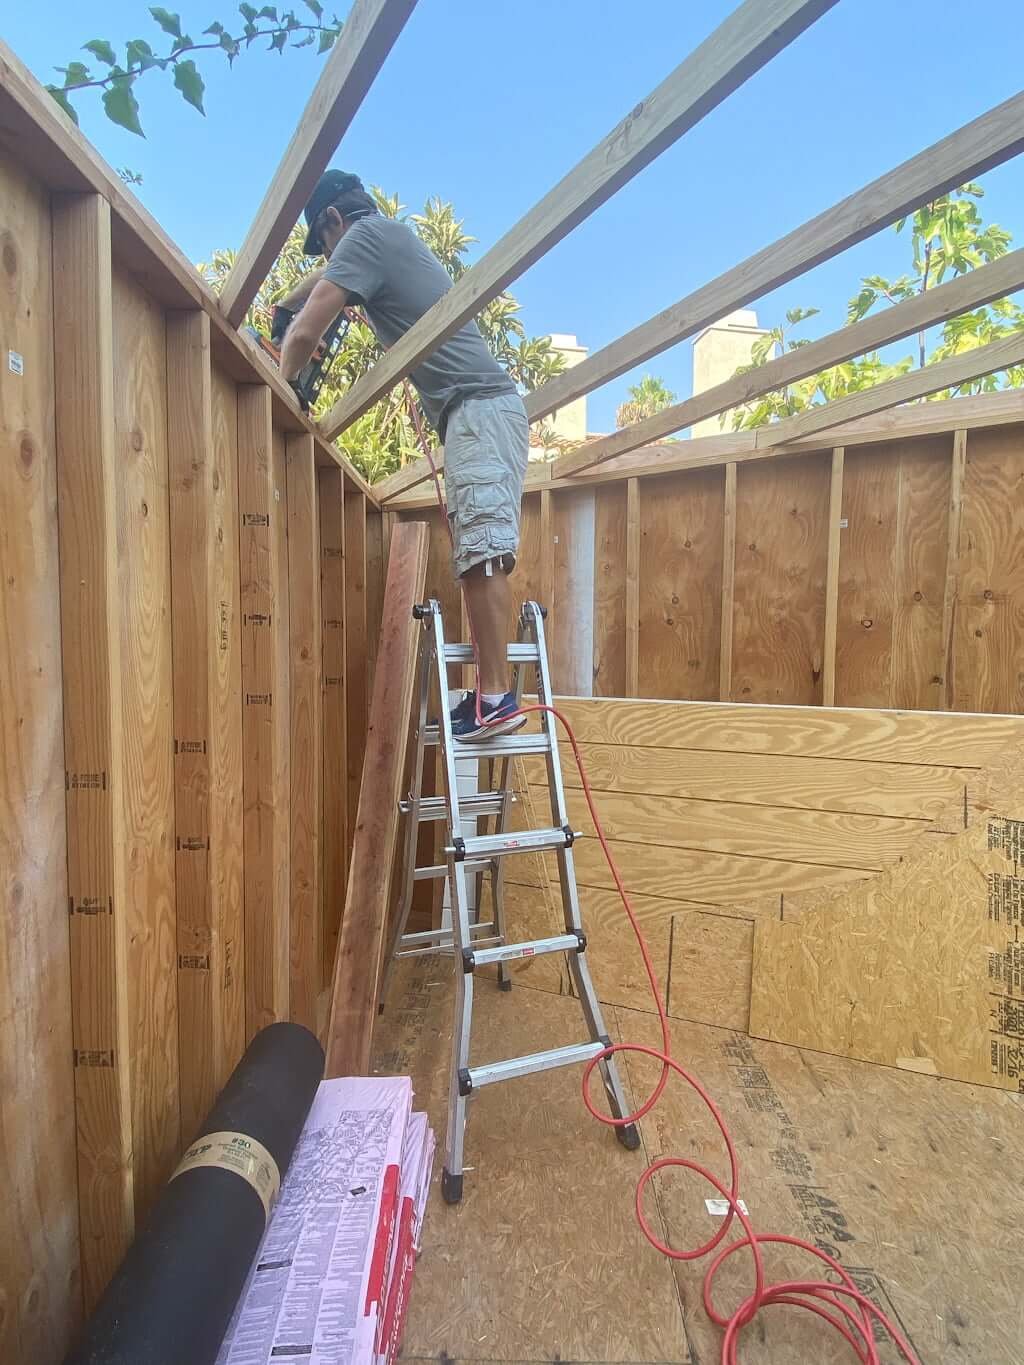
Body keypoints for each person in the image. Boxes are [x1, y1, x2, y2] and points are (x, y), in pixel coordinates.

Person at [278, 170, 530, 741]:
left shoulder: (366, 240)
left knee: (482, 551)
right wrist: (281, 302)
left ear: (334, 222)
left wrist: (281, 377)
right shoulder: (380, 238)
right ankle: (491, 694)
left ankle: (495, 698)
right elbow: (320, 281)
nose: (328, 256)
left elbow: (308, 326)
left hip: (479, 411)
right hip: (478, 413)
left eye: (324, 243)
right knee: (475, 548)